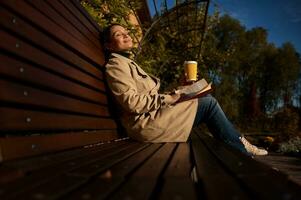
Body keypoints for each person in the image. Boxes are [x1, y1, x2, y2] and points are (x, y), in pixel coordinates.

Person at [103, 24, 268, 156]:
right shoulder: (116, 65)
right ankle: (241, 148)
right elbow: (131, 103)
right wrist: (171, 98)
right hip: (146, 126)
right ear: (109, 45)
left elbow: (151, 97)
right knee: (207, 103)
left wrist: (180, 88)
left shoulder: (128, 63)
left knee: (201, 95)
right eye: (118, 34)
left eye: (126, 31)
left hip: (153, 118)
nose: (126, 35)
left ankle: (239, 143)